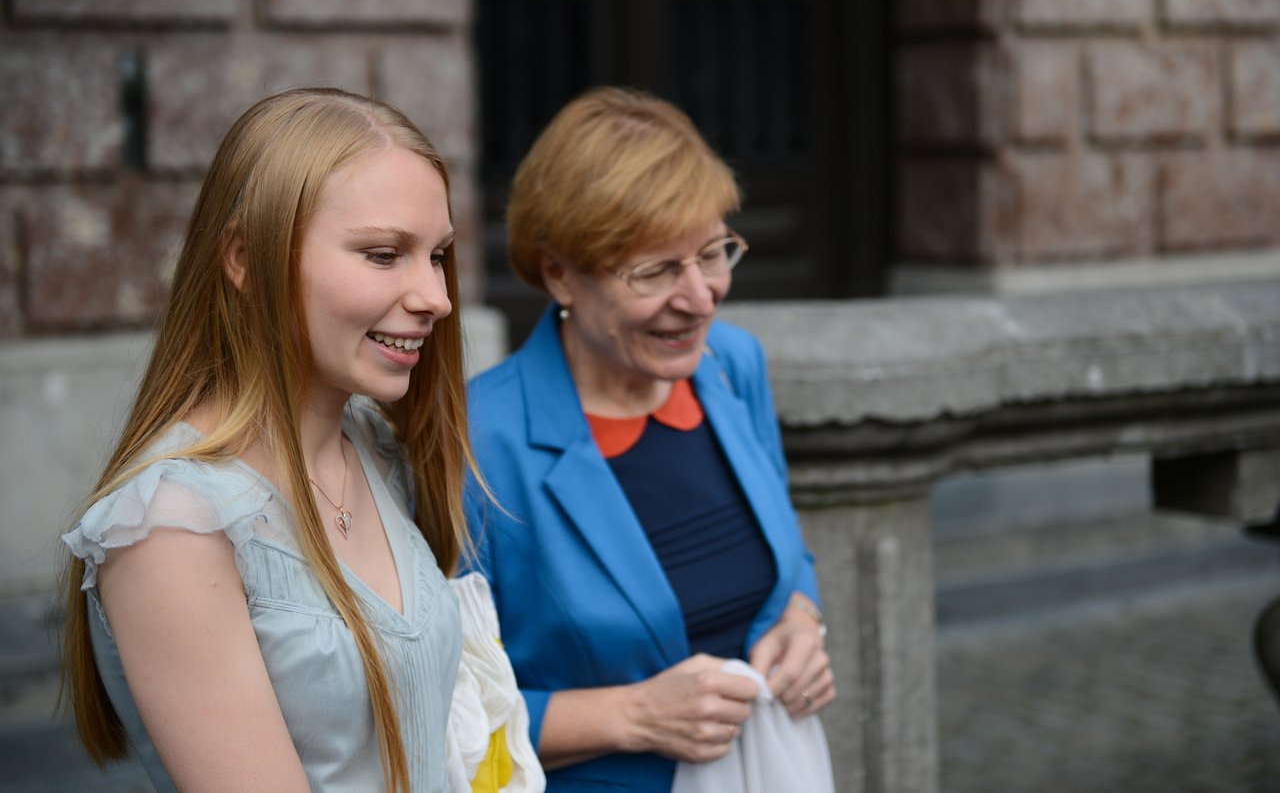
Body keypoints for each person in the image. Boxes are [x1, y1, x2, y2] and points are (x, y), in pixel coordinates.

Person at [61, 87, 479, 792]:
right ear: (245, 259)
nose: (435, 296)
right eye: (384, 255)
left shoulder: (374, 444)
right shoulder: (171, 526)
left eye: (436, 256)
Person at [463, 86, 835, 792]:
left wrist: (803, 617)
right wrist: (633, 716)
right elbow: (437, 710)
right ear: (558, 272)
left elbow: (787, 552)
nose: (700, 297)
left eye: (713, 253)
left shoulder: (733, 365)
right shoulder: (478, 442)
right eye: (656, 270)